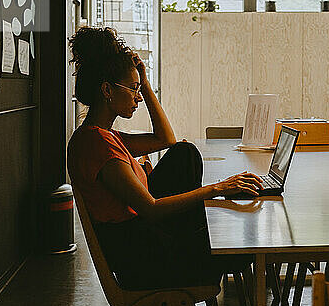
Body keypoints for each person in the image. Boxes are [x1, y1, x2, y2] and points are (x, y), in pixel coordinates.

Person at [67, 27, 262, 290]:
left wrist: (146, 84)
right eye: (134, 89)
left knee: (185, 152)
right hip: (145, 261)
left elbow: (166, 140)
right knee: (244, 245)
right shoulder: (97, 143)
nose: (138, 97)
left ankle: (209, 229)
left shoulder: (104, 136)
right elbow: (151, 208)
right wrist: (217, 189)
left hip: (146, 240)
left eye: (139, 89)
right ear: (107, 90)